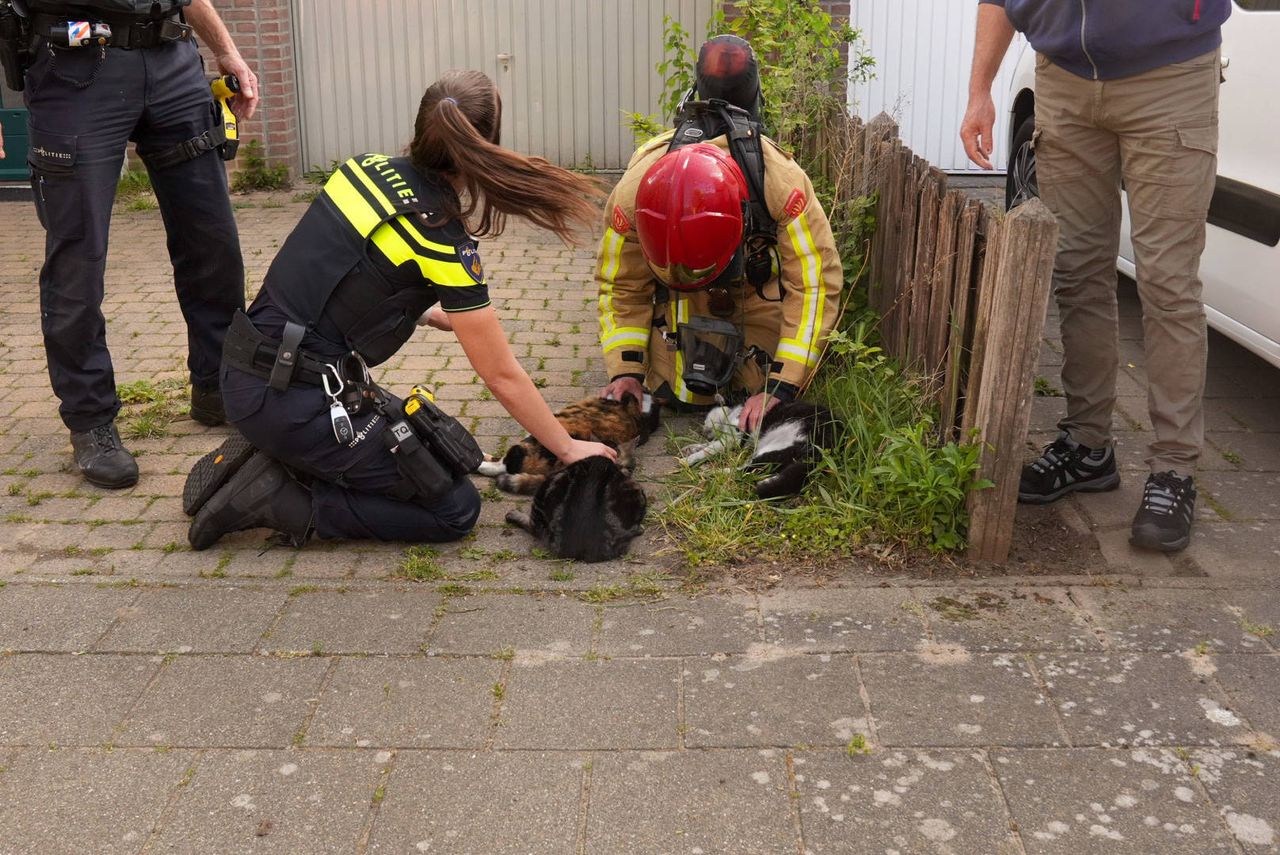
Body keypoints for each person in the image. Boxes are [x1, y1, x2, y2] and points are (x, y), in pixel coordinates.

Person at [182, 69, 617, 550]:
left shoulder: (362, 169)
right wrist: (568, 447)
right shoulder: (441, 238)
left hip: (249, 373)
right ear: (486, 144)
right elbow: (501, 375)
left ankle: (286, 451)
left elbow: (338, 272)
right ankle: (278, 496)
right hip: (291, 401)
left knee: (443, 451)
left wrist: (424, 313)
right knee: (453, 508)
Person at [960, 0, 1229, 552]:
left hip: (1169, 76)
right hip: (1063, 80)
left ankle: (1174, 468)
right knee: (1077, 273)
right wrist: (980, 90)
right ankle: (1088, 447)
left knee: (1167, 283)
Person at [0, 0, 256, 489]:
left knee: (213, 243)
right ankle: (90, 418)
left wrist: (227, 51)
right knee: (79, 257)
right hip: (73, 69)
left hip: (172, 62)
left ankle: (217, 385)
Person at [597, 35, 842, 432]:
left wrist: (781, 387)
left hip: (733, 365)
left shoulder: (776, 182)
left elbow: (814, 287)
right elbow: (622, 285)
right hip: (691, 370)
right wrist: (624, 371)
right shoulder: (634, 193)